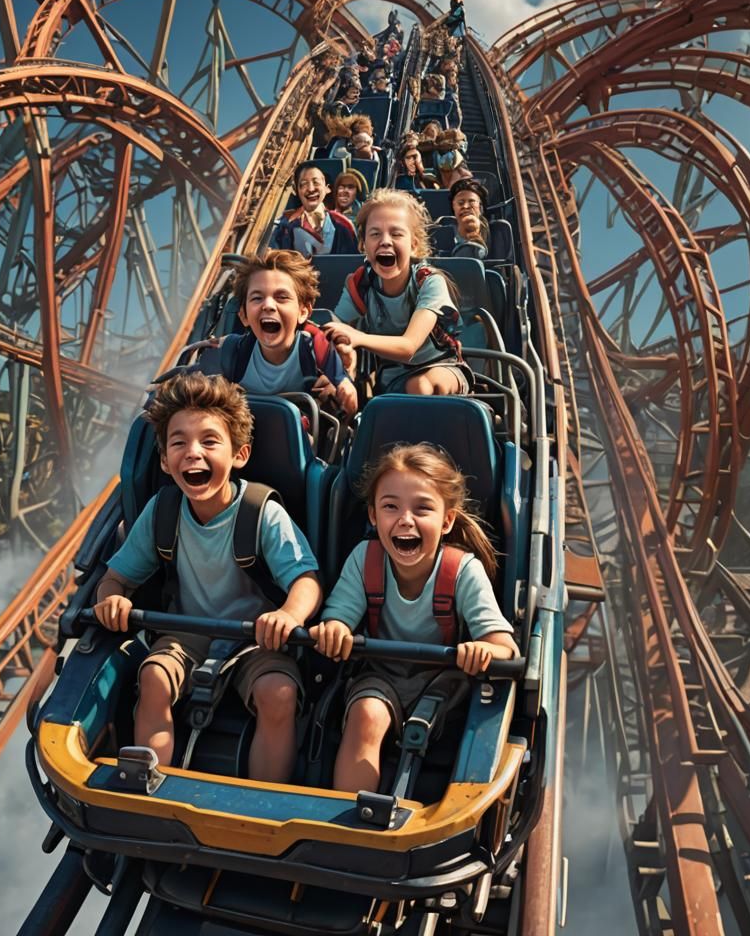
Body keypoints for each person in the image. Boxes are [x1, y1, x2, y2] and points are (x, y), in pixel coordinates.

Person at [93, 373, 322, 783]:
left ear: (240, 454)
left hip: (257, 639)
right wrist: (113, 598)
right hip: (187, 633)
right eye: (178, 443)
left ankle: (263, 797)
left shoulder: (260, 511)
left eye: (209, 441)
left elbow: (306, 580)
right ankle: (151, 784)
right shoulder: (162, 511)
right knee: (153, 676)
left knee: (279, 694)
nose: (193, 453)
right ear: (164, 461)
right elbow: (115, 579)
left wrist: (288, 615)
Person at [310, 443, 517, 792]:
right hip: (380, 673)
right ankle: (347, 821)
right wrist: (334, 631)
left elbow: (504, 646)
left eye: (422, 508)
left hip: (442, 679)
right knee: (366, 715)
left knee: (432, 720)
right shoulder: (365, 559)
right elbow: (338, 619)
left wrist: (483, 651)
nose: (405, 520)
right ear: (374, 516)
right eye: (391, 507)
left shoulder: (463, 570)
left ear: (447, 520)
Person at [325, 189, 470, 395]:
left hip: (441, 366)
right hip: (391, 377)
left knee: (419, 386)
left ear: (413, 245)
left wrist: (358, 337)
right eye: (375, 234)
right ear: (363, 244)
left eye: (396, 234)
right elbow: (338, 329)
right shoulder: (359, 284)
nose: (385, 241)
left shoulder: (429, 282)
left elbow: (408, 347)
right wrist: (344, 357)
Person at [219, 249, 358, 416]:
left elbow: (347, 395)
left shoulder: (316, 347)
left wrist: (343, 390)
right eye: (257, 298)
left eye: (281, 297)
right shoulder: (232, 352)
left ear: (303, 312)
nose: (268, 305)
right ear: (243, 315)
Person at [273, 161, 357, 257]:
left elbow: (353, 264)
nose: (311, 189)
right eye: (304, 184)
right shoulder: (285, 227)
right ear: (296, 190)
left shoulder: (343, 225)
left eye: (316, 182)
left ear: (327, 188)